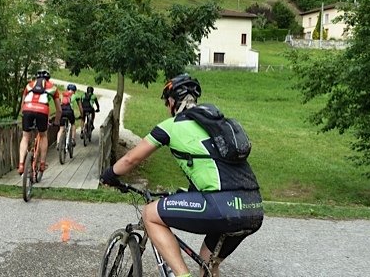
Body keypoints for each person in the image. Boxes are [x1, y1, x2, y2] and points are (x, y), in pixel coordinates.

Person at [100, 74, 263, 277]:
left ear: (171, 102)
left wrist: (108, 175)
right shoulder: (216, 127)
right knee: (207, 264)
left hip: (220, 205)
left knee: (150, 214)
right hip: (253, 207)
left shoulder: (171, 126)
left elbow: (130, 160)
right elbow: (214, 168)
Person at [18, 70, 62, 175]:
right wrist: (56, 121)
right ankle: (42, 163)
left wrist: (23, 114)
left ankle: (21, 164)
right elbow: (59, 110)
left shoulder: (29, 85)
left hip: (27, 109)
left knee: (25, 137)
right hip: (42, 111)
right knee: (43, 136)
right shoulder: (53, 87)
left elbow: (22, 103)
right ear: (48, 79)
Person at [56, 83, 83, 148]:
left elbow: (58, 105)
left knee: (61, 128)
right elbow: (80, 107)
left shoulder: (62, 95)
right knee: (73, 124)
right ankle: (73, 139)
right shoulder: (76, 96)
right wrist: (82, 114)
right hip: (69, 111)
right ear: (74, 91)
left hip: (62, 111)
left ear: (67, 89)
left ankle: (58, 143)